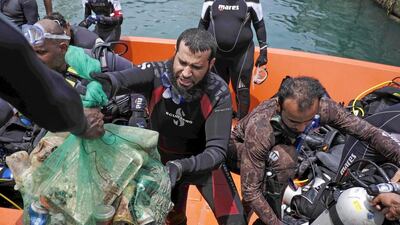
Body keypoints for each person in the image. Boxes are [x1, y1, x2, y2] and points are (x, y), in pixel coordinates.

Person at [92, 28, 246, 225]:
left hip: (203, 165)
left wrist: (181, 167)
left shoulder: (218, 92)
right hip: (161, 164)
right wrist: (101, 84)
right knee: (172, 218)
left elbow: (216, 151)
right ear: (175, 52)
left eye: (197, 67)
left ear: (211, 64)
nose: (186, 73)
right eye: (182, 62)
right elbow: (118, 79)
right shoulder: (156, 72)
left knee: (236, 221)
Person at [227, 76, 400, 225]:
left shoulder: (324, 108)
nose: (302, 128)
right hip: (240, 150)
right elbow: (250, 191)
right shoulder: (261, 128)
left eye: (308, 121)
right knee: (282, 161)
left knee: (285, 160)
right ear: (280, 108)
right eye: (294, 122)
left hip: (282, 150)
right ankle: (247, 216)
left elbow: (370, 133)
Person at [0, 13, 103, 139]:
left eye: (41, 52)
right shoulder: (19, 67)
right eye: (31, 52)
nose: (35, 59)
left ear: (63, 48)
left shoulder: (87, 61)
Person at [198, 0, 268, 119]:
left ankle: (241, 124)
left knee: (242, 90)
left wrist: (263, 51)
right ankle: (219, 118)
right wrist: (198, 47)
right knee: (216, 88)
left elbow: (259, 25)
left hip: (242, 54)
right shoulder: (210, 1)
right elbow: (203, 24)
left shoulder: (251, 2)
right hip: (216, 54)